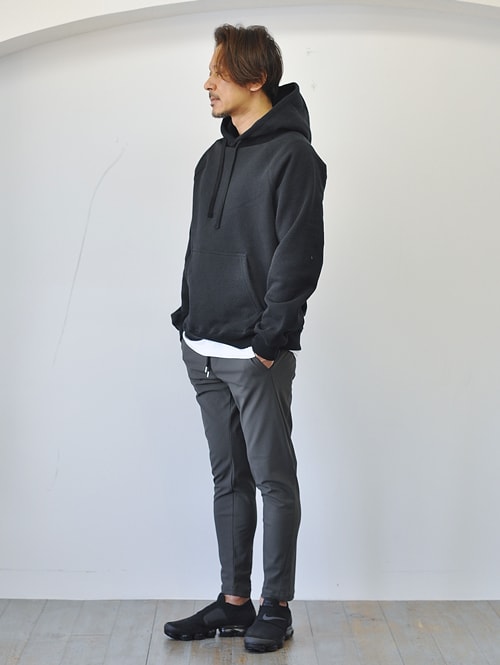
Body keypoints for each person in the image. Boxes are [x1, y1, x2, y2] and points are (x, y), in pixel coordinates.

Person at [164, 23, 326, 653]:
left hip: (255, 355)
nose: (207, 82)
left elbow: (298, 256)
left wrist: (270, 341)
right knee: (228, 481)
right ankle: (234, 603)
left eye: (219, 71)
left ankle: (275, 606)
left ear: (255, 78)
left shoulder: (294, 158)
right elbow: (196, 248)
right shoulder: (212, 159)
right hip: (203, 349)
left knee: (273, 479)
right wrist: (188, 321)